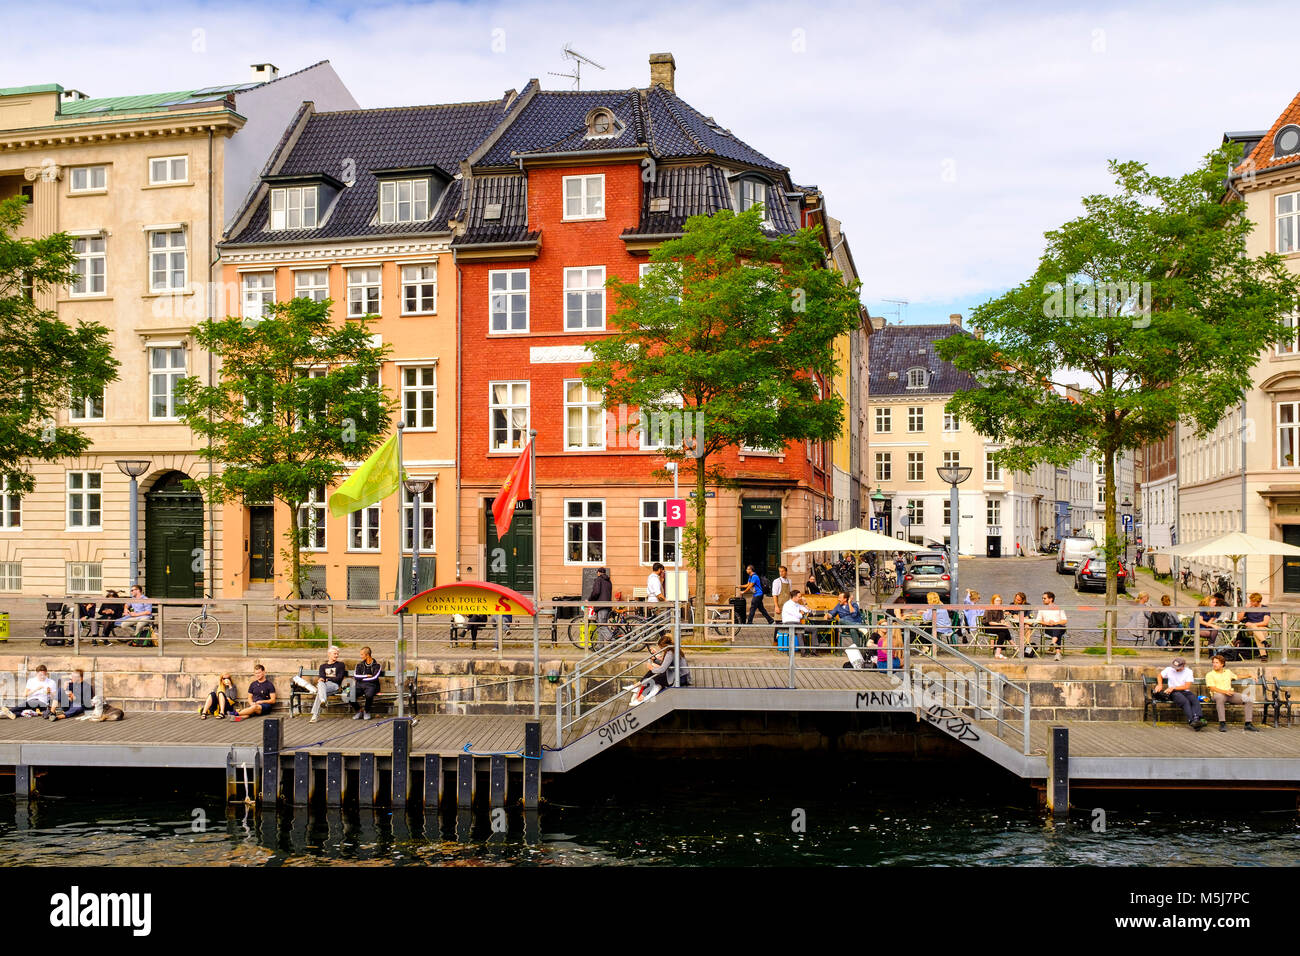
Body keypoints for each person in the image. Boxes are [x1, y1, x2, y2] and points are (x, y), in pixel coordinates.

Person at [292, 646, 350, 723]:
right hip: (324, 686)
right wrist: (322, 679)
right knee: (320, 684)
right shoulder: (323, 666)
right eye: (334, 654)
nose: (336, 655)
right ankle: (322, 702)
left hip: (334, 686)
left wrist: (327, 679)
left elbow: (339, 678)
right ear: (329, 654)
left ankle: (316, 713)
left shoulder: (340, 665)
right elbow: (321, 676)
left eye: (337, 654)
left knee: (320, 686)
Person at [630, 634, 692, 705]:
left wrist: (652, 668)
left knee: (654, 677)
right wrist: (655, 659)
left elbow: (662, 669)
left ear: (665, 646)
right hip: (680, 675)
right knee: (653, 673)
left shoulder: (670, 653)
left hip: (680, 678)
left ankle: (641, 696)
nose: (661, 650)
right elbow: (665, 663)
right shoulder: (673, 649)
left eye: (661, 648)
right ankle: (639, 687)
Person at [1205, 654, 1258, 733]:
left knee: (1248, 699)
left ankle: (1248, 724)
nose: (1214, 664)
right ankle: (1222, 723)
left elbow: (1237, 676)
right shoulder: (1210, 675)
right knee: (1220, 697)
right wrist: (1225, 691)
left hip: (1229, 694)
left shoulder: (1228, 672)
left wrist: (1249, 675)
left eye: (1217, 663)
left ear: (1222, 664)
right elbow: (1212, 688)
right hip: (1217, 694)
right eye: (1213, 662)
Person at [1155, 656, 1206, 730]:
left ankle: (1197, 718)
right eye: (1174, 667)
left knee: (1194, 700)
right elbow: (1160, 675)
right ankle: (1191, 721)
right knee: (1184, 701)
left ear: (1183, 666)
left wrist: (1173, 687)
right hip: (1173, 692)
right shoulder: (1169, 669)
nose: (1175, 669)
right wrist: (1160, 684)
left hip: (1183, 690)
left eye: (1177, 667)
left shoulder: (1188, 671)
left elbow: (1186, 686)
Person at [1237, 592, 1271, 662]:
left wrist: (1253, 625)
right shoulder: (1248, 608)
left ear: (1258, 602)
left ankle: (1263, 655)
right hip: (1249, 630)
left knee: (1256, 632)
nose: (1251, 603)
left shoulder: (1265, 608)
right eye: (1250, 601)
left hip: (1262, 628)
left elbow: (1265, 622)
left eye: (1252, 601)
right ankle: (1264, 643)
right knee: (1255, 629)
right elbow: (1239, 619)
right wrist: (1245, 609)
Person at [352, 646, 383, 720]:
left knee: (369, 695)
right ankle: (359, 710)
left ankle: (367, 711)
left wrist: (362, 678)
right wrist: (366, 676)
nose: (361, 656)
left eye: (362, 654)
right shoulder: (359, 665)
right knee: (348, 694)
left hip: (372, 685)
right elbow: (356, 676)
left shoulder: (377, 666)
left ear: (367, 655)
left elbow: (374, 677)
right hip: (359, 685)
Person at [1036, 592, 1068, 661]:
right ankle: (1057, 652)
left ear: (1051, 599)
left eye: (1044, 598)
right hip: (1048, 628)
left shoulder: (1059, 608)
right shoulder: (1041, 609)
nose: (1043, 600)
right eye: (1042, 598)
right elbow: (1038, 620)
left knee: (1057, 628)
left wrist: (1055, 623)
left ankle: (1053, 643)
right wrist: (1047, 623)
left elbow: (1065, 620)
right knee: (1057, 633)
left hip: (1060, 627)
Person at [588, 567, 614, 647]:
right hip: (607, 606)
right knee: (601, 626)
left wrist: (590, 599)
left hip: (601, 606)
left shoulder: (598, 580)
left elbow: (596, 592)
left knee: (602, 626)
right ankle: (599, 646)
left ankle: (613, 641)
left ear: (599, 573)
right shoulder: (609, 581)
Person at [781, 589, 811, 655]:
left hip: (797, 624)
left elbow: (808, 611)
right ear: (794, 597)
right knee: (799, 630)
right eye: (799, 597)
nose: (800, 598)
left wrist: (805, 602)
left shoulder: (797, 604)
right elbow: (798, 615)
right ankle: (803, 652)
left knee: (813, 629)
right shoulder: (788, 605)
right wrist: (801, 614)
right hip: (788, 623)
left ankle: (813, 651)